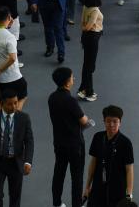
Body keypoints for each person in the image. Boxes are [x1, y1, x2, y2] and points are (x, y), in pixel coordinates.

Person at [0, 91, 34, 207]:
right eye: (10, 104)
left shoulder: (24, 118)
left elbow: (29, 141)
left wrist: (28, 161)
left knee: (15, 196)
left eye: (15, 103)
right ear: (2, 103)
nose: (14, 106)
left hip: (16, 163)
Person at [48, 66, 90, 207]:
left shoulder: (52, 98)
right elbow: (83, 120)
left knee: (59, 173)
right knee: (76, 177)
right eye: (72, 77)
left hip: (59, 143)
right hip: (75, 145)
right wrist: (87, 119)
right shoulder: (70, 100)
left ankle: (57, 203)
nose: (73, 79)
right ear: (67, 82)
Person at [84, 105, 135, 206]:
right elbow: (93, 162)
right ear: (104, 121)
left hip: (118, 189)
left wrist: (129, 194)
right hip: (98, 186)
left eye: (115, 121)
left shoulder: (126, 143)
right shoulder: (98, 137)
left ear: (120, 122)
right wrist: (87, 187)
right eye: (108, 121)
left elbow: (129, 169)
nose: (111, 124)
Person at [0, 6, 28, 110]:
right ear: (9, 17)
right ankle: (13, 117)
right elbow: (12, 58)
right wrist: (0, 69)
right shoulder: (10, 37)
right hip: (13, 77)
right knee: (22, 97)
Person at [79, 0, 104, 99]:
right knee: (90, 66)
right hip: (93, 37)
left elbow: (83, 25)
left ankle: (83, 88)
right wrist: (87, 27)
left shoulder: (85, 7)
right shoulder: (95, 10)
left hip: (86, 37)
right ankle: (89, 92)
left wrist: (84, 28)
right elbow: (89, 26)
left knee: (86, 64)